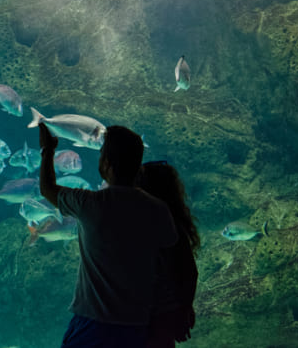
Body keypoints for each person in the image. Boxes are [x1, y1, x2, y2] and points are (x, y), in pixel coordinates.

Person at [38, 123, 178, 348]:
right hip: (138, 325)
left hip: (92, 323)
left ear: (106, 164)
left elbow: (47, 189)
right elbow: (171, 263)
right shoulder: (158, 210)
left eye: (102, 153)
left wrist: (48, 150)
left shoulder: (91, 204)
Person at [136, 161, 200, 347]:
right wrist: (185, 309)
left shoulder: (165, 224)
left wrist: (184, 310)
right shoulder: (174, 222)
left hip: (155, 314)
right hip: (163, 312)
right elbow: (189, 272)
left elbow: (188, 272)